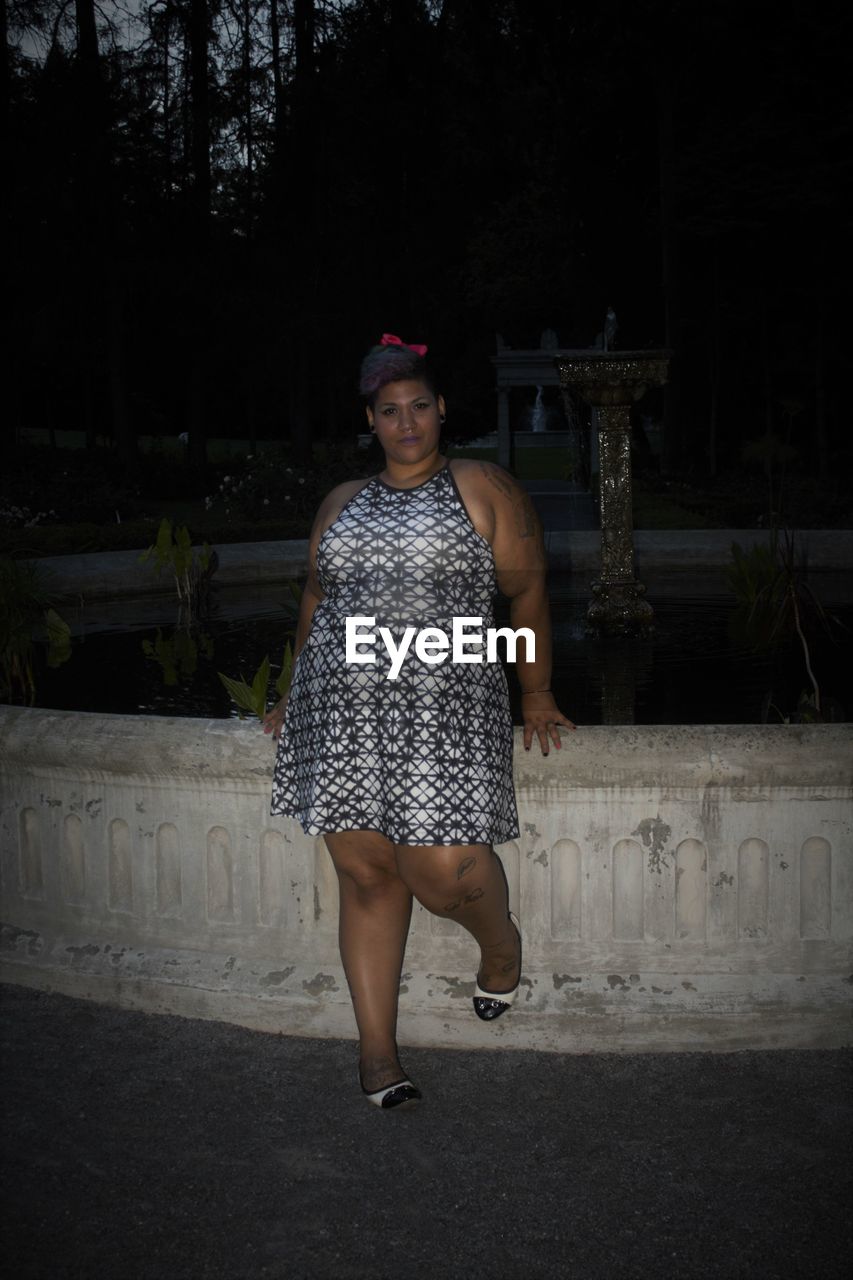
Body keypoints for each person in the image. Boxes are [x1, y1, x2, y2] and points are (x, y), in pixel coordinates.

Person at [263, 334, 575, 1109]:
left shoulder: (481, 486)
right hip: (344, 714)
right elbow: (315, 599)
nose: (407, 423)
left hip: (447, 705)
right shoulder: (340, 502)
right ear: (370, 419)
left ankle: (499, 949)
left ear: (441, 411)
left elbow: (526, 592)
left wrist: (534, 691)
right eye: (390, 411)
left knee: (442, 870)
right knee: (367, 876)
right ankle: (376, 1056)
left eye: (420, 408)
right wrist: (293, 689)